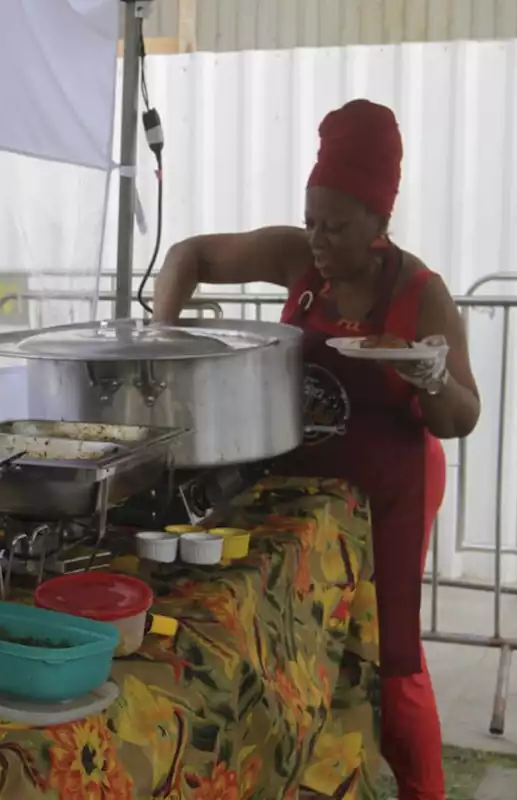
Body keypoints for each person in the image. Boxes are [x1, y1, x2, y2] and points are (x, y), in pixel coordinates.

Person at [151, 99, 480, 800]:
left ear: (379, 224)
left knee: (391, 654)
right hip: (306, 478)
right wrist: (162, 337)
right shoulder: (298, 257)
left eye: (336, 226)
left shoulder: (423, 296)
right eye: (310, 221)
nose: (319, 240)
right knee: (295, 632)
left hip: (393, 482)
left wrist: (432, 376)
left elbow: (461, 417)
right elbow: (189, 255)